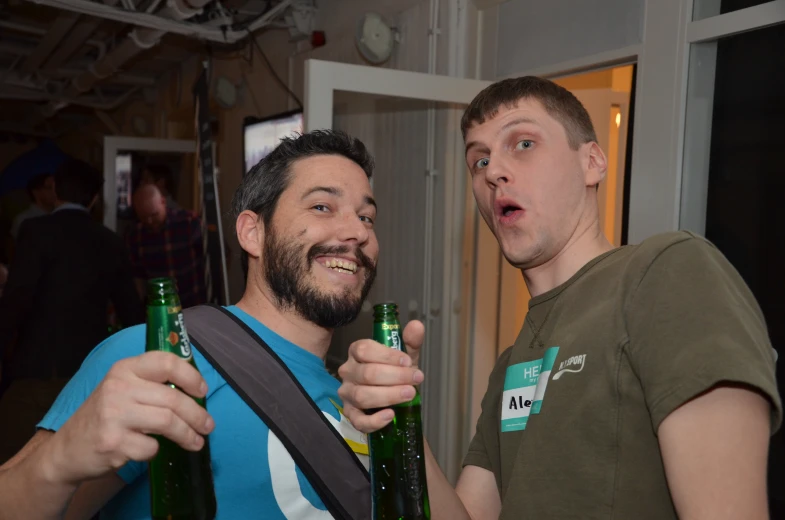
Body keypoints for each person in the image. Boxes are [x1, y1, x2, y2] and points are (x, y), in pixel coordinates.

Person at [337, 77, 783, 519]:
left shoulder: (667, 272)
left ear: (592, 162)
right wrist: (399, 410)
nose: (493, 171)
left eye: (524, 143)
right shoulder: (514, 361)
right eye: (479, 160)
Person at [0, 130, 378, 519]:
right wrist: (56, 462)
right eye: (322, 207)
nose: (359, 231)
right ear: (253, 233)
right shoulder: (157, 358)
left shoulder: (355, 398)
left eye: (367, 216)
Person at [0, 158, 144, 464]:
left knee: (16, 465)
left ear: (55, 191)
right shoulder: (110, 241)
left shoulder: (35, 230)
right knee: (77, 470)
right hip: (88, 374)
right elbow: (132, 313)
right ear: (93, 199)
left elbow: (16, 299)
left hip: (36, 370)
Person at [125, 184, 207, 308]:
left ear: (163, 202)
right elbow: (137, 276)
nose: (150, 222)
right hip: (160, 309)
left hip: (194, 304)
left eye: (154, 215)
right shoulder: (136, 234)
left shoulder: (189, 222)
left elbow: (217, 258)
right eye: (144, 217)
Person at [10, 173, 57, 240]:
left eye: (56, 187)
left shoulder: (59, 214)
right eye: (49, 187)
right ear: (36, 192)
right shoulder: (23, 219)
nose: (54, 192)